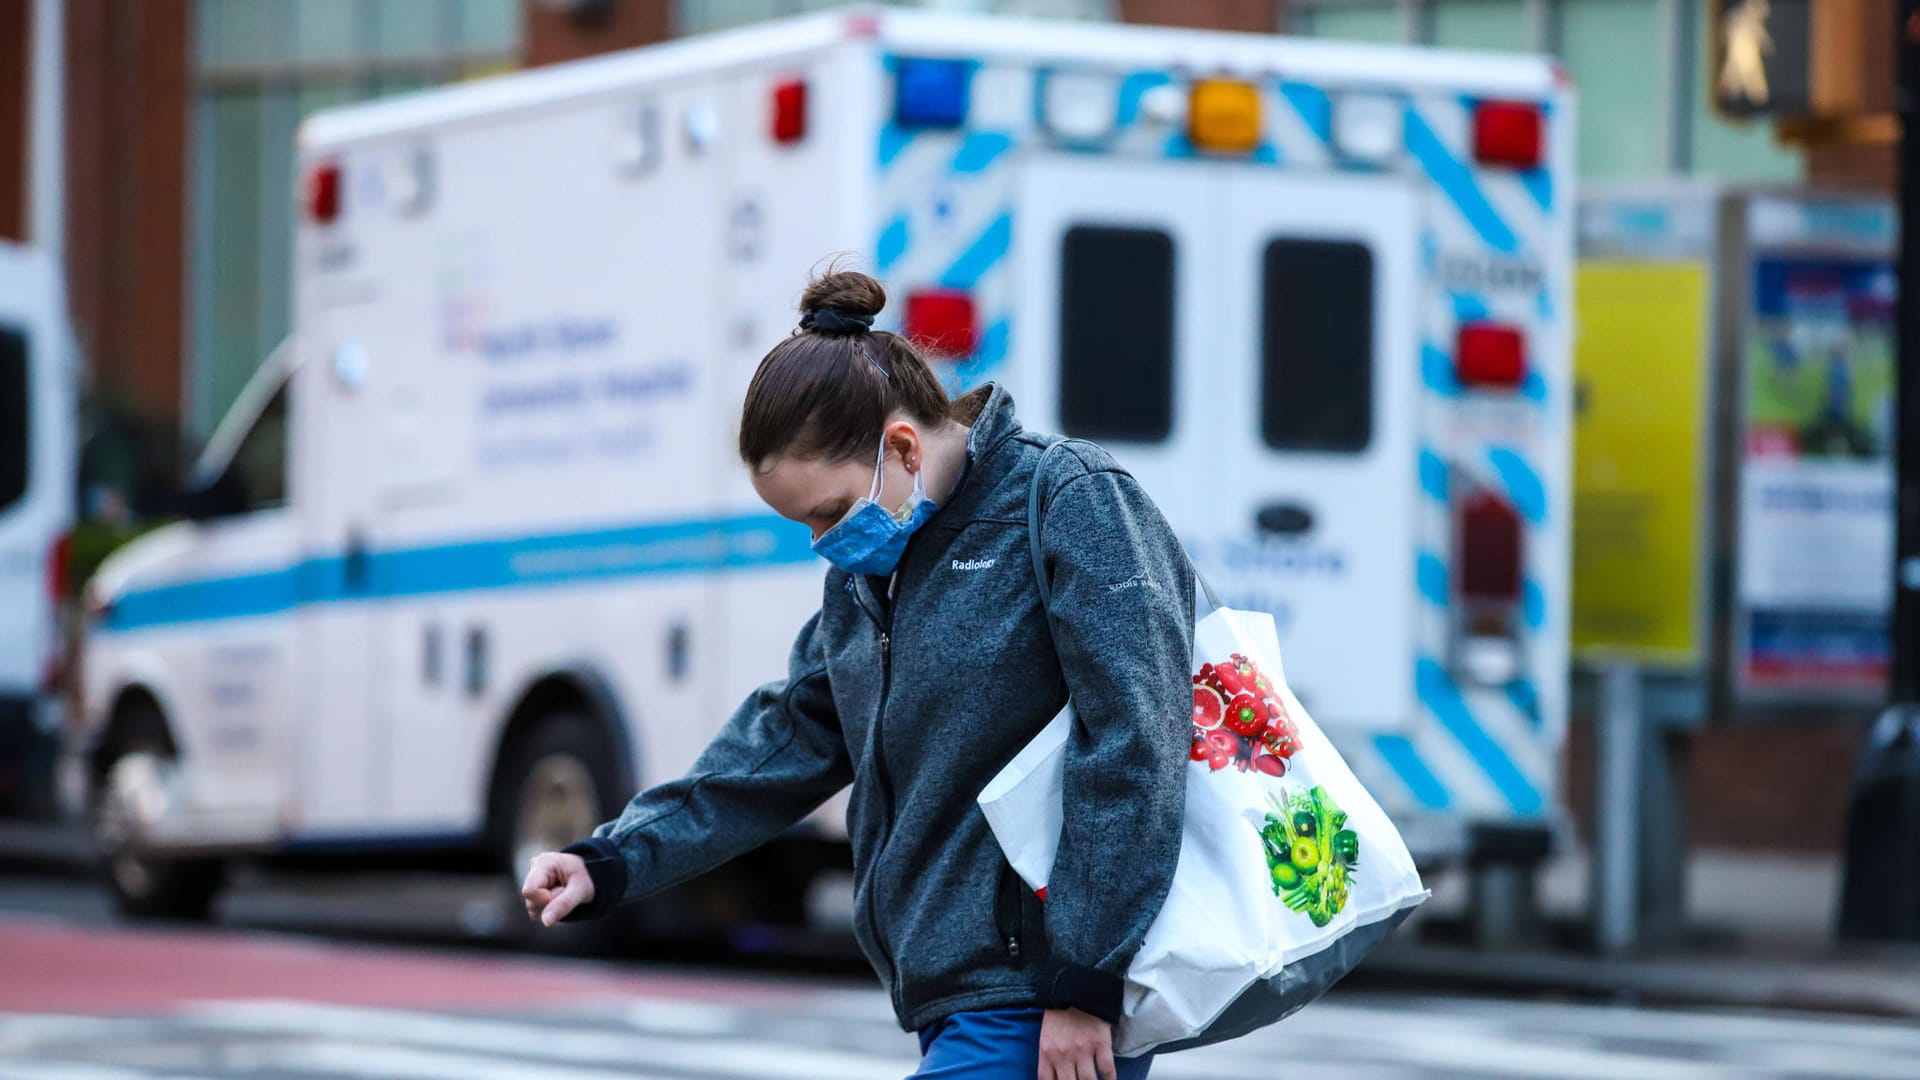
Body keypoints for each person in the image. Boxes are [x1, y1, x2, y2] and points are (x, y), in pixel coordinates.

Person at [521, 268, 1194, 1080]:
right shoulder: (871, 576)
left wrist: (1086, 980)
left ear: (903, 447)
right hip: (961, 1002)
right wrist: (612, 859)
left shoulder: (1069, 500)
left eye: (829, 512)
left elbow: (1136, 737)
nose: (824, 544)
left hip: (1040, 996)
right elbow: (782, 743)